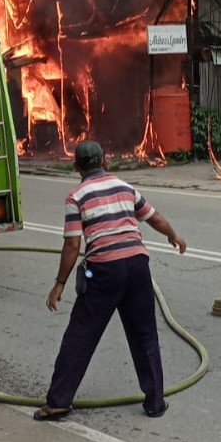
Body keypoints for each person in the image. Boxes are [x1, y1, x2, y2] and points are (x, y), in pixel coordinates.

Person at [34, 140, 187, 421]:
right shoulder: (124, 187)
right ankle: (155, 402)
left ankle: (58, 402)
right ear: (105, 161)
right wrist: (173, 236)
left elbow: (71, 245)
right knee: (145, 335)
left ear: (75, 167)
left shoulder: (76, 196)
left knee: (80, 335)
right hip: (138, 266)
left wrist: (59, 283)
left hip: (105, 270)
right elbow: (154, 218)